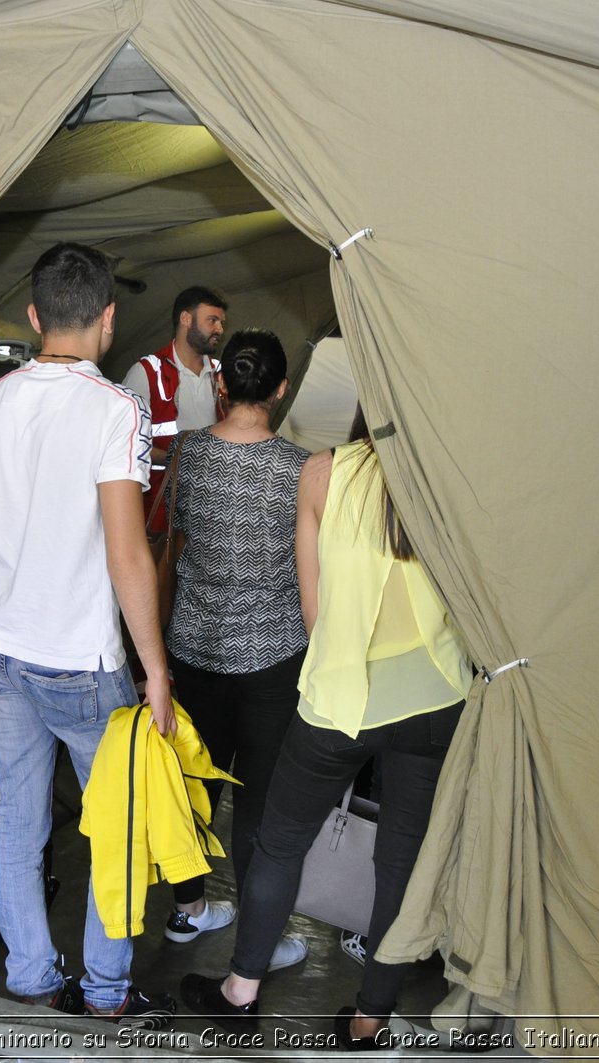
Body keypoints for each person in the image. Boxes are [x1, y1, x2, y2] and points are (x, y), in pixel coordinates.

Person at [180, 412, 475, 1050]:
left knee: (281, 844)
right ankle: (370, 1018)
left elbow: (314, 614)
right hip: (437, 700)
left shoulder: (324, 473)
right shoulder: (457, 475)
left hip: (342, 700)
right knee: (402, 862)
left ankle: (241, 992)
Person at [0, 242, 177, 1028]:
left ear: (32, 314)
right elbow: (128, 553)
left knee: (18, 821)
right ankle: (106, 993)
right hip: (82, 665)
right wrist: (154, 668)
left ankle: (30, 978)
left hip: (2, 651)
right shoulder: (118, 411)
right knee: (116, 833)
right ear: (109, 318)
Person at [159, 329, 310, 978]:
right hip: (273, 662)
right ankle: (259, 943)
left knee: (189, 788)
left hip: (193, 649)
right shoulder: (302, 468)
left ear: (223, 385)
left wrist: (155, 647)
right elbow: (312, 574)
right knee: (260, 808)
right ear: (280, 390)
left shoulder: (189, 454)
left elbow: (171, 548)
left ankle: (188, 908)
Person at [121, 286, 229, 525]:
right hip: (160, 513)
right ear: (185, 319)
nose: (220, 329)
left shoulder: (222, 375)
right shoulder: (147, 373)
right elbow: (124, 447)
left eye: (221, 322)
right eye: (212, 320)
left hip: (210, 511)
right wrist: (179, 459)